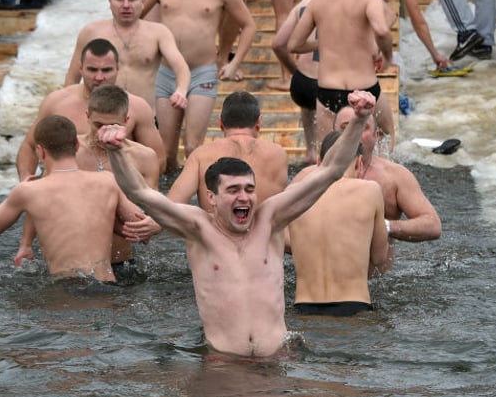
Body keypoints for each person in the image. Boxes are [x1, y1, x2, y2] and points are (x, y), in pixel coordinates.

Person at [98, 89, 376, 358]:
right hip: (223, 366)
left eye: (249, 189)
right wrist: (116, 152)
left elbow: (331, 171)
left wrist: (359, 119)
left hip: (276, 361)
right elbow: (140, 193)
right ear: (212, 198)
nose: (244, 197)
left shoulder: (271, 219)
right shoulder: (198, 229)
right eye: (233, 191)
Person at [13, 85, 163, 277]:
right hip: (72, 264)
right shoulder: (68, 151)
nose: (104, 133)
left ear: (127, 121)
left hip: (121, 261)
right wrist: (25, 244)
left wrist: (155, 224)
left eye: (113, 126)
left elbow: (155, 207)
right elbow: (40, 199)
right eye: (98, 125)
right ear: (87, 115)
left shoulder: (144, 157)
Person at [141, 0, 257, 171]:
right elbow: (135, 20)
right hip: (167, 72)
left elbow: (248, 25)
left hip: (202, 71)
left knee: (193, 146)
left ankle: (199, 197)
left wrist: (233, 63)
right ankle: (172, 199)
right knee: (166, 151)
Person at [0, 115, 152, 282]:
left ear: (40, 151)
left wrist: (17, 193)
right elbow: (140, 228)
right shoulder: (107, 180)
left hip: (65, 291)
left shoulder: (28, 191)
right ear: (77, 146)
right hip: (107, 287)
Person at [16, 38, 164, 179]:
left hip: (119, 184)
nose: (99, 77)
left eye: (106, 70)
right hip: (67, 186)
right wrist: (25, 177)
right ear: (81, 68)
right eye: (92, 70)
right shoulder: (57, 102)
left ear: (117, 68)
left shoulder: (137, 107)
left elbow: (158, 159)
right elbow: (30, 146)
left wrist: (132, 189)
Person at [286, 0, 391, 146]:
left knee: (327, 152)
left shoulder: (318, 1)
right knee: (387, 134)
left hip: (328, 90)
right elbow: (383, 30)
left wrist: (324, 43)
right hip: (364, 89)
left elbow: (294, 45)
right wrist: (387, 56)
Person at [285, 130, 392, 316]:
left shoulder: (294, 192)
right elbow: (379, 258)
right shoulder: (371, 191)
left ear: (318, 163)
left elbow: (284, 241)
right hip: (354, 307)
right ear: (359, 163)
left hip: (304, 309)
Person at [65, 0, 191, 110]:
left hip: (144, 114)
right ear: (109, 1)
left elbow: (181, 68)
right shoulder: (91, 32)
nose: (126, 5)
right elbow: (72, 79)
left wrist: (181, 91)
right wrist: (71, 107)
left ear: (143, 1)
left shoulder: (159, 32)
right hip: (101, 114)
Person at [332, 106, 441, 243]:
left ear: (375, 136)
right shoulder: (314, 177)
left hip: (379, 263)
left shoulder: (395, 176)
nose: (354, 133)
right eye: (345, 127)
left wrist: (385, 226)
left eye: (362, 127)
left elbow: (432, 225)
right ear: (332, 134)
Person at [167, 90, 288, 210]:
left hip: (215, 229)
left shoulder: (201, 154)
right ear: (258, 122)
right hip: (265, 229)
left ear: (220, 122)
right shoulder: (278, 154)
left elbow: (170, 207)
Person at [271, 0, 339, 163]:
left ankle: (310, 150)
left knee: (309, 107)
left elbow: (277, 44)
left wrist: (294, 72)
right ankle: (326, 157)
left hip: (303, 83)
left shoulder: (305, 3)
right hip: (331, 81)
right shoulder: (348, 1)